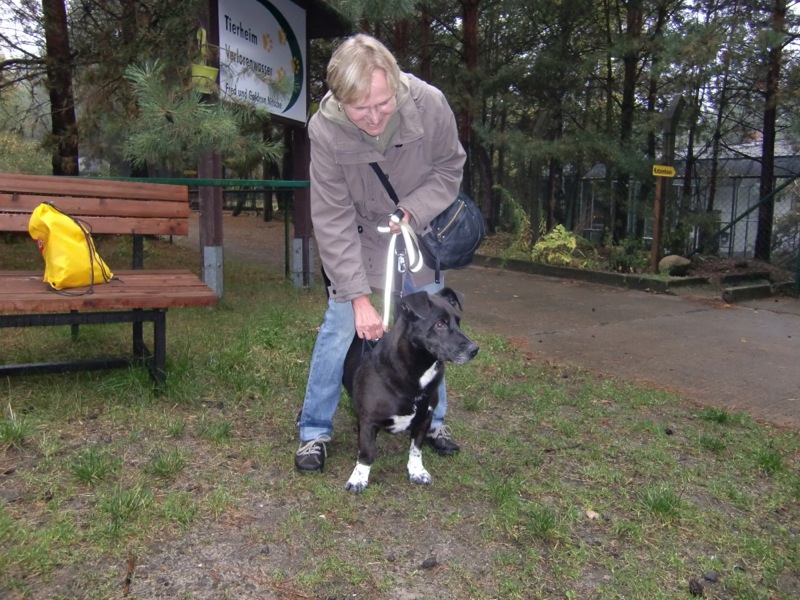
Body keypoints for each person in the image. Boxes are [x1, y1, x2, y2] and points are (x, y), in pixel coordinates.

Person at [294, 33, 467, 473]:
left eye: (383, 104)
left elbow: (450, 169)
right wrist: (357, 298)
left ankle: (433, 421)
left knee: (433, 323)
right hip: (359, 235)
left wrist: (413, 210)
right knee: (339, 326)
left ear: (394, 82)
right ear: (339, 99)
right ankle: (314, 429)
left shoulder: (430, 104)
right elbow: (331, 218)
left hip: (418, 230)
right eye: (359, 108)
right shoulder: (324, 129)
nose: (373, 117)